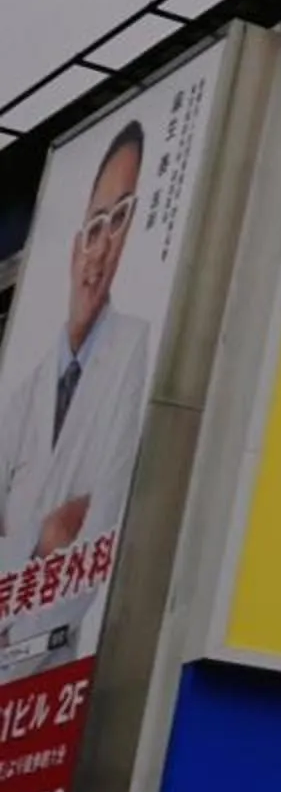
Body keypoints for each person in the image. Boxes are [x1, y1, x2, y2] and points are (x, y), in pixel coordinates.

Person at [0, 122, 154, 589]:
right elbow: (59, 534)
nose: (101, 247)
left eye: (121, 218)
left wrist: (29, 540)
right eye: (95, 225)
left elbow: (103, 526)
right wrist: (44, 535)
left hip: (69, 645)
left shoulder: (138, 348)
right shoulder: (26, 389)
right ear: (74, 247)